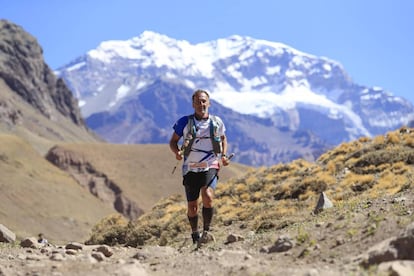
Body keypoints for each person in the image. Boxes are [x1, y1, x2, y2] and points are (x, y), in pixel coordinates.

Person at [169, 89, 230, 245]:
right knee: (192, 206)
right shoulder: (184, 122)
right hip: (190, 167)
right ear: (193, 104)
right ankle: (195, 234)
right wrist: (177, 153)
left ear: (209, 103)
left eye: (203, 101)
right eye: (198, 101)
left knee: (208, 196)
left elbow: (223, 139)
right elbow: (173, 141)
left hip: (211, 164)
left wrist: (223, 156)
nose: (201, 104)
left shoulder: (217, 122)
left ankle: (206, 232)